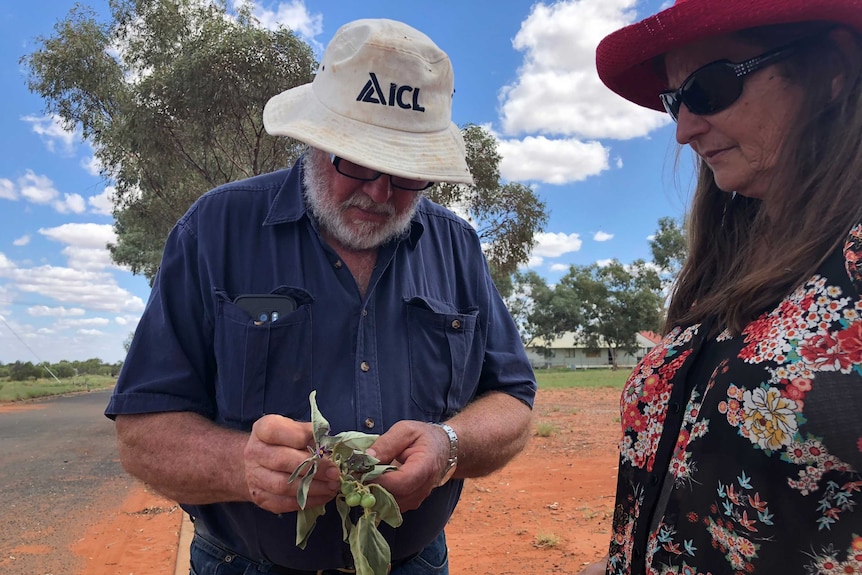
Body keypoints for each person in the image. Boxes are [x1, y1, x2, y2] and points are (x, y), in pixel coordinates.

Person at [105, 18, 536, 575]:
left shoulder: (456, 248)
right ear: (317, 138)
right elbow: (142, 431)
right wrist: (242, 466)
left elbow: (513, 402)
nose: (379, 192)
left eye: (406, 174)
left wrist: (449, 445)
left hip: (414, 562)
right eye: (356, 160)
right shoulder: (215, 230)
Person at [579, 1, 862, 574]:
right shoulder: (725, 267)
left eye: (709, 88)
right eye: (673, 101)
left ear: (831, 67)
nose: (684, 130)